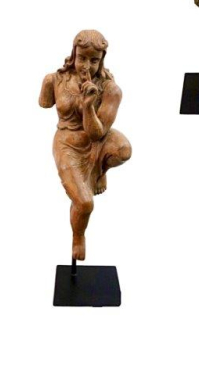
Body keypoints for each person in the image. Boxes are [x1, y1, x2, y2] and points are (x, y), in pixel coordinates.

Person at [39, 30, 132, 261]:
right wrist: (51, 84)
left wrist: (89, 106)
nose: (86, 66)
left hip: (97, 139)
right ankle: (78, 236)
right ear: (73, 54)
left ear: (102, 60)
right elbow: (44, 103)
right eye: (82, 58)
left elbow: (96, 133)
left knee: (123, 150)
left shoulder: (110, 90)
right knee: (84, 203)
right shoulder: (56, 80)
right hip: (67, 142)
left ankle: (100, 170)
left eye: (94, 60)